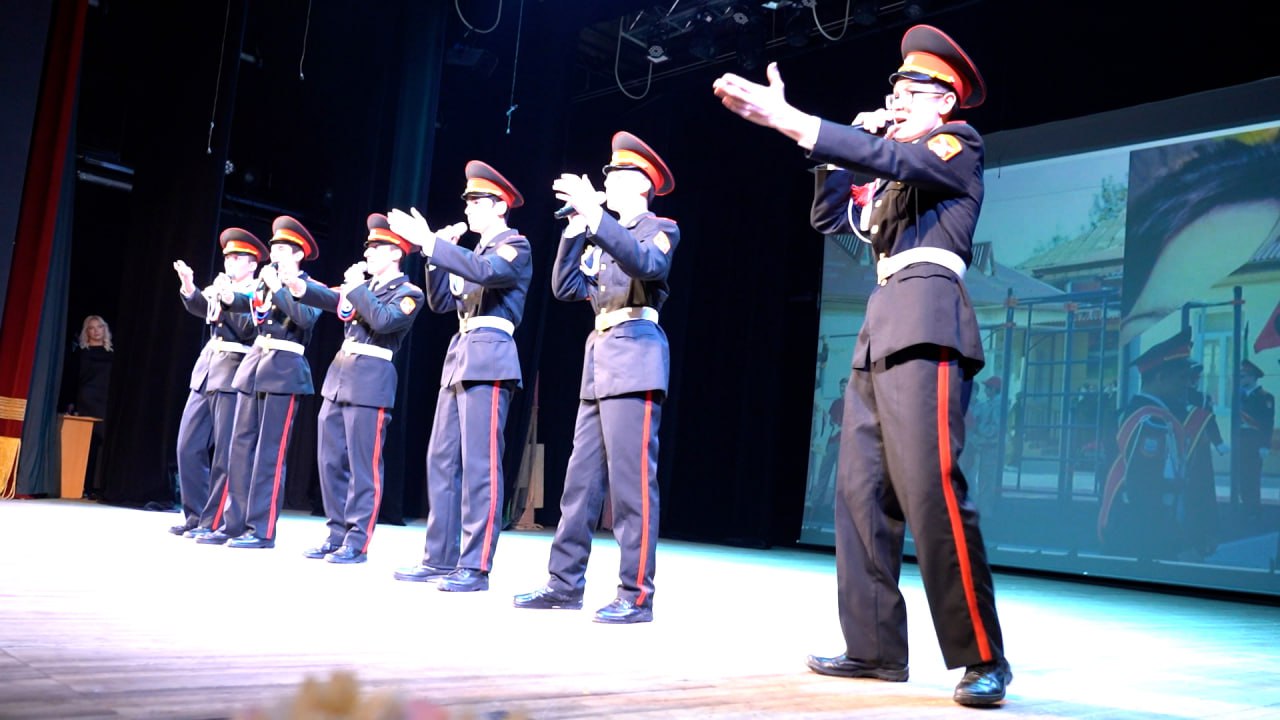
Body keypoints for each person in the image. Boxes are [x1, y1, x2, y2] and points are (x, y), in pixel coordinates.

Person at [712, 25, 1011, 705]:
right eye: (894, 90)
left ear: (945, 101)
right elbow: (828, 218)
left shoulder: (956, 144)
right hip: (880, 332)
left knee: (930, 490)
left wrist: (796, 121)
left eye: (912, 92)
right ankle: (874, 648)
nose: (896, 100)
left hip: (927, 323)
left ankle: (982, 657)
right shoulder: (893, 170)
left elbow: (898, 160)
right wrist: (837, 145)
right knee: (859, 496)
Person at [512, 131, 679, 625]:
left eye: (618, 177)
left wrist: (596, 217)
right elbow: (566, 288)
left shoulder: (659, 228)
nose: (609, 184)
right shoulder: (602, 237)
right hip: (599, 361)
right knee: (579, 484)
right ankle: (564, 585)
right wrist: (574, 229)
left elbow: (645, 263)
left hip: (636, 357)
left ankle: (636, 594)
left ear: (643, 184)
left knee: (632, 489)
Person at [388, 161, 532, 591]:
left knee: (480, 465)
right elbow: (440, 303)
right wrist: (435, 258)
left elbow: (488, 274)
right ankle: (439, 557)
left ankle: (475, 564)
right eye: (467, 201)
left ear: (500, 206)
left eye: (478, 201)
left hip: (490, 355)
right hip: (460, 355)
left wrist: (432, 243)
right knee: (442, 460)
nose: (468, 208)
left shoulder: (514, 245)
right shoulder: (470, 255)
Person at [288, 214, 424, 564]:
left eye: (376, 248)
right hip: (339, 380)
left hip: (371, 383)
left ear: (396, 253)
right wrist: (296, 285)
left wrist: (356, 288)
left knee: (364, 466)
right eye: (368, 247)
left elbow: (383, 320)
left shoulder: (408, 293)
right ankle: (336, 534)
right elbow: (327, 297)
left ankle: (357, 540)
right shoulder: (362, 288)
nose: (368, 253)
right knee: (330, 461)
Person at [198, 216, 321, 549]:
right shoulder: (265, 284)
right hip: (254, 367)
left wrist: (279, 288)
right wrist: (227, 297)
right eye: (274, 247)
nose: (274, 253)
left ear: (298, 255)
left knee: (269, 454)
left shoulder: (310, 286)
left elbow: (304, 317)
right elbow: (246, 307)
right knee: (239, 449)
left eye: (282, 249)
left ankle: (261, 529)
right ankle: (233, 522)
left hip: (284, 370)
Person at [169, 228, 265, 537]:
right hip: (207, 369)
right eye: (227, 257)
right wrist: (189, 286)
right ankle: (195, 515)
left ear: (252, 264)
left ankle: (214, 521)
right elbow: (203, 310)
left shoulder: (257, 292)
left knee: (225, 452)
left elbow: (248, 329)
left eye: (237, 258)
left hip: (233, 370)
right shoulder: (222, 285)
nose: (230, 262)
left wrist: (228, 298)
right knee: (188, 445)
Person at [1098, 328, 1195, 559]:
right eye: (1182, 378)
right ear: (1160, 377)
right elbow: (1144, 487)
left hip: (1129, 526)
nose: (1187, 385)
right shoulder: (1151, 421)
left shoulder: (1133, 412)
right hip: (1144, 534)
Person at [64, 315, 114, 498]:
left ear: (105, 329)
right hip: (87, 400)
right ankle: (85, 486)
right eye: (92, 328)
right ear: (87, 332)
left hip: (106, 399)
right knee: (89, 444)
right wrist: (71, 402)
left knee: (104, 444)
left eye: (99, 327)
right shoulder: (80, 354)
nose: (96, 331)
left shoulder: (112, 354)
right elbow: (72, 379)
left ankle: (100, 486)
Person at [1183, 362, 1226, 557]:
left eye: (1197, 377)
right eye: (1192, 376)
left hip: (1199, 451)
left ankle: (1205, 535)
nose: (1195, 380)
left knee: (1203, 491)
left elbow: (1210, 421)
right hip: (1178, 450)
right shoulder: (1174, 397)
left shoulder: (1202, 398)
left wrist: (1218, 442)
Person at [1235, 359, 1273, 517]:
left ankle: (1254, 510)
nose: (1240, 379)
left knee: (1252, 477)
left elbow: (1268, 423)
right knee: (1241, 476)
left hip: (1255, 441)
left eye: (1243, 376)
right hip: (1241, 440)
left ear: (1252, 377)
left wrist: (1265, 445)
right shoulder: (1239, 396)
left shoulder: (1265, 397)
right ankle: (1245, 508)